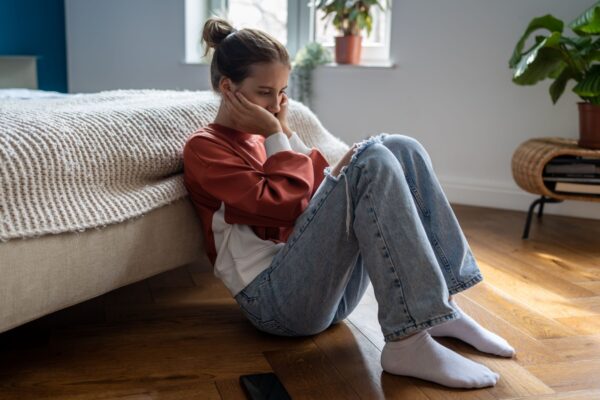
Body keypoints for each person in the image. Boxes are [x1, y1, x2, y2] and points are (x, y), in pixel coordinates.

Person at [182, 16, 515, 389]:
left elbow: (308, 207)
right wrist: (278, 132)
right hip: (274, 304)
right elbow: (281, 206)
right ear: (228, 88)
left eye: (281, 92)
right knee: (371, 162)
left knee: (398, 147)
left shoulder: (265, 138)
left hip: (325, 294)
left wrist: (298, 144)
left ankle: (440, 308)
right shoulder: (205, 147)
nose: (275, 104)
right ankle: (407, 342)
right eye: (264, 92)